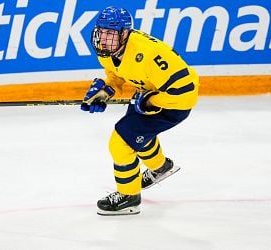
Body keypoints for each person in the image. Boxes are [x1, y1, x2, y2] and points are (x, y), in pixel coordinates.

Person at [81, 6, 199, 215]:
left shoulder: (149, 54)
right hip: (147, 95)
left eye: (110, 33)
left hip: (174, 105)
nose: (104, 39)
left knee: (120, 143)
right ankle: (161, 167)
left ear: (125, 33)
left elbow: (186, 90)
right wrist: (105, 92)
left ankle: (129, 196)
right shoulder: (108, 51)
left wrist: (152, 101)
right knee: (136, 135)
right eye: (101, 32)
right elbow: (117, 76)